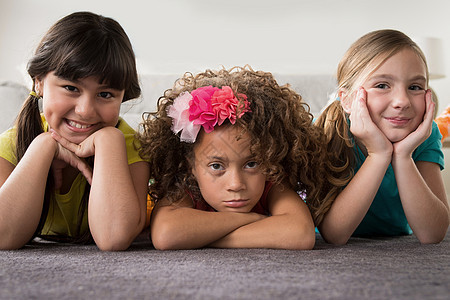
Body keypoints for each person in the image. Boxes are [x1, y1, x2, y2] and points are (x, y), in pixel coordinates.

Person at [138, 66, 337, 250]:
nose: (236, 184)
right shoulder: (189, 187)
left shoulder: (271, 182)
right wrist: (253, 219)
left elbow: (300, 233)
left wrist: (201, 237)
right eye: (216, 166)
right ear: (191, 166)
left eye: (251, 164)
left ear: (269, 158)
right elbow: (166, 234)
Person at [0, 12, 149, 250]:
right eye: (71, 88)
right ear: (38, 82)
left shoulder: (132, 146)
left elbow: (114, 238)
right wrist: (44, 146)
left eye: (105, 94)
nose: (85, 111)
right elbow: (3, 236)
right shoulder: (10, 145)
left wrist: (109, 141)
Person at [315, 29, 449, 245]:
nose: (402, 101)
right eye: (382, 85)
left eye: (415, 87)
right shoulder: (327, 131)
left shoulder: (426, 134)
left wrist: (403, 155)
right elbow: (334, 234)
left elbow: (433, 234)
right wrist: (378, 155)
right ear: (348, 100)